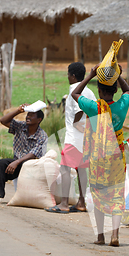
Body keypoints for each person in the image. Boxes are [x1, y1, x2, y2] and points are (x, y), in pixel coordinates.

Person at [71, 63, 129, 246]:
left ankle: (100, 236)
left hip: (98, 156)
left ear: (98, 89)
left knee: (97, 194)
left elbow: (75, 94)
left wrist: (89, 75)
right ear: (115, 89)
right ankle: (115, 235)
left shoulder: (93, 107)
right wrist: (118, 74)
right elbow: (128, 91)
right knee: (116, 194)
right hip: (117, 155)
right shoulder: (122, 106)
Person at [45, 62, 96, 213]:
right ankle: (81, 202)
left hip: (74, 138)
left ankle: (64, 204)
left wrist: (76, 123)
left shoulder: (74, 89)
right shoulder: (90, 91)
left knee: (65, 168)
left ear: (72, 76)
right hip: (86, 138)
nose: (67, 77)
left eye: (68, 74)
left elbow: (79, 109)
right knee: (81, 169)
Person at [0, 106, 47, 203]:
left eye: (32, 115)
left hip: (31, 167)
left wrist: (17, 162)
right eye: (27, 114)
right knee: (1, 164)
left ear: (39, 120)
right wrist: (18, 111)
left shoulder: (42, 135)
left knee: (17, 164)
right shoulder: (21, 126)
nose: (28, 117)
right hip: (17, 164)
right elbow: (3, 121)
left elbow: (33, 154)